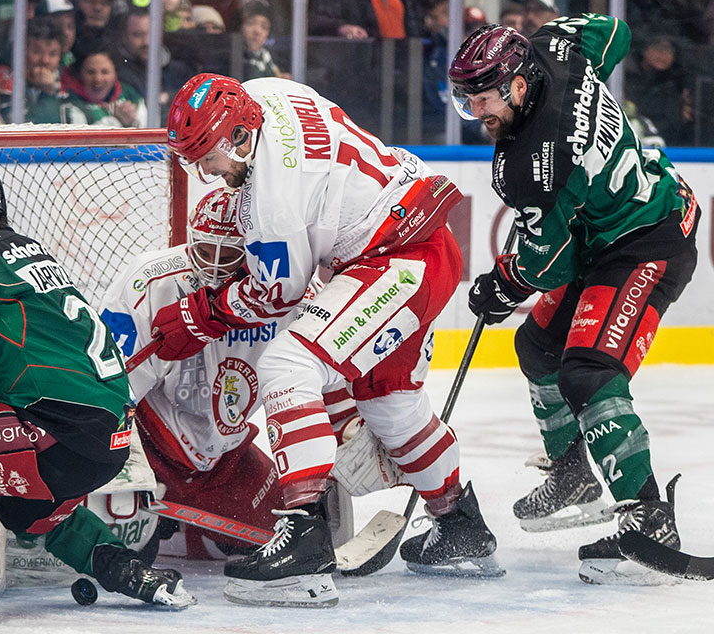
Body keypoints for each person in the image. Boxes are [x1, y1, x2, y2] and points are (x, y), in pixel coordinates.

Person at [155, 73, 502, 607]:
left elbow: (278, 295)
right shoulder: (266, 92)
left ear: (240, 139)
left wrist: (202, 312)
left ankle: (305, 538)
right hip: (416, 242)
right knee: (392, 406)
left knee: (288, 366)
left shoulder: (273, 199)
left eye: (207, 158)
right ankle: (460, 524)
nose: (203, 173)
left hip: (396, 260)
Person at [0, 156, 195, 624]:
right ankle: (123, 566)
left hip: (52, 425)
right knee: (21, 508)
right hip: (108, 440)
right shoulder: (31, 253)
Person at [448, 17, 699, 585]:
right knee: (538, 345)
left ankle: (651, 518)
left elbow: (549, 264)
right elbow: (617, 32)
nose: (477, 115)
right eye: (467, 102)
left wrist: (501, 285)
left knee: (588, 371)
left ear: (515, 86)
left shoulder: (538, 161)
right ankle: (573, 474)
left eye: (482, 101)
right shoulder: (553, 44)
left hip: (647, 237)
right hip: (603, 232)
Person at [100, 188, 361, 559]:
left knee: (294, 536)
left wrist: (350, 425)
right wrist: (127, 469)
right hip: (151, 444)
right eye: (206, 252)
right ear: (190, 240)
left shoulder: (288, 290)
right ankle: (159, 519)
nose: (216, 269)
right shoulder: (151, 282)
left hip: (223, 454)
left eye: (231, 255)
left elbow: (328, 369)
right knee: (124, 536)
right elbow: (112, 389)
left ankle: (184, 528)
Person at [0, 19, 71, 124]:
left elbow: (60, 129)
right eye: (37, 52)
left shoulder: (64, 87)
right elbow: (16, 125)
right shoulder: (5, 81)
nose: (45, 60)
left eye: (52, 54)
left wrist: (49, 91)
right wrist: (48, 93)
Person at [65, 47, 145, 127]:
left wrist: (134, 122)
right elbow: (81, 137)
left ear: (115, 73)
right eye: (90, 72)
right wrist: (116, 121)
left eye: (105, 72)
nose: (98, 79)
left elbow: (146, 126)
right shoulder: (71, 103)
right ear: (80, 75)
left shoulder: (130, 95)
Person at [239, 0, 288, 80]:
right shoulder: (231, 58)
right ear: (240, 27)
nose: (257, 31)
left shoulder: (266, 57)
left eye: (264, 27)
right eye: (251, 23)